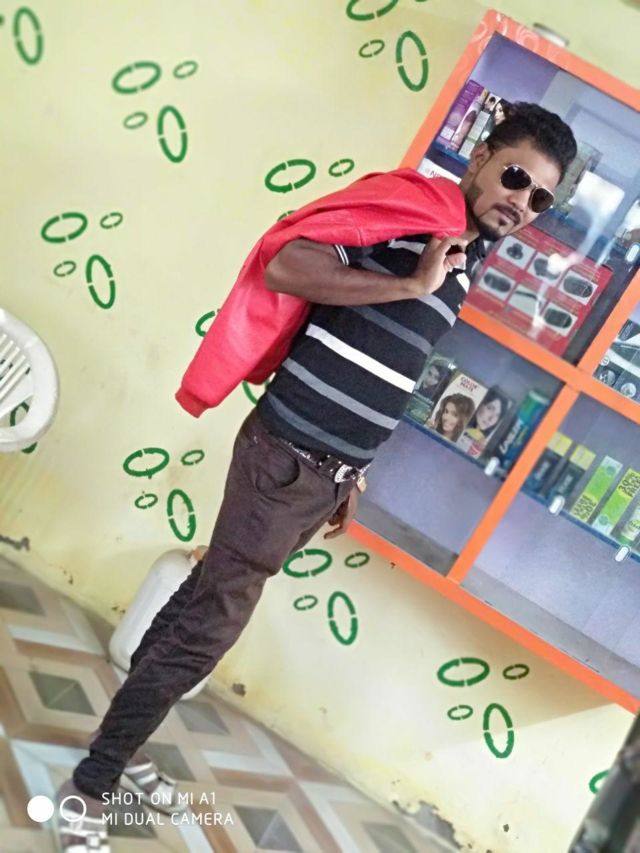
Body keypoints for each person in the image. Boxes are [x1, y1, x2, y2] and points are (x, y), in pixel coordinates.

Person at [55, 102, 577, 851]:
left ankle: (120, 748)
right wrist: (408, 284)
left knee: (203, 600)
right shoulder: (409, 209)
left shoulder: (462, 256)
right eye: (516, 177)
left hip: (323, 476)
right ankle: (90, 786)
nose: (521, 202)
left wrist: (353, 474)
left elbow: (386, 364)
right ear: (481, 156)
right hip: (284, 456)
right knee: (209, 628)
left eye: (540, 198)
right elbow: (287, 263)